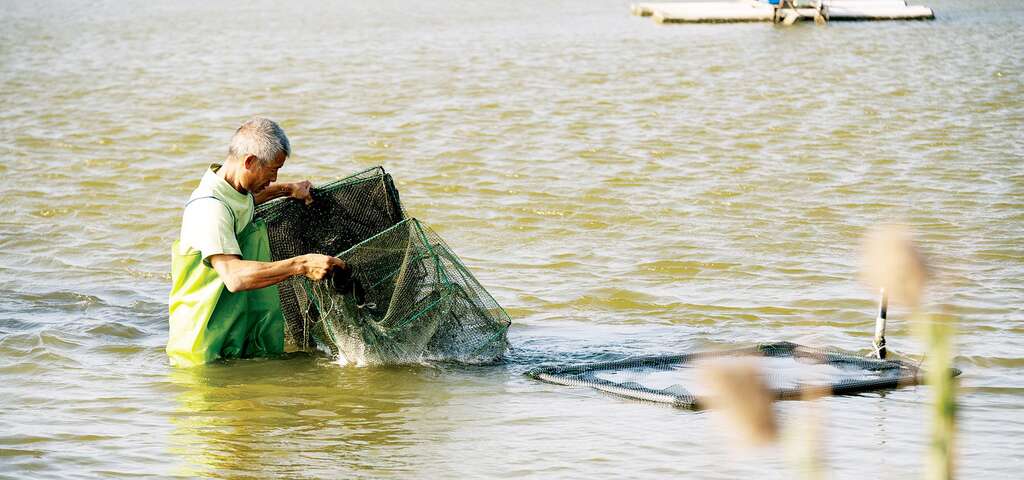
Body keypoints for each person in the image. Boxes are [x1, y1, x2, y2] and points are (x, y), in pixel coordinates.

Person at [167, 117, 344, 367]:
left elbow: (248, 201)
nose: (273, 178)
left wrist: (286, 189)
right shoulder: (210, 208)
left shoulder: (233, 191)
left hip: (236, 337)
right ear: (249, 161)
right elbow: (234, 277)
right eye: (273, 170)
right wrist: (302, 265)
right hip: (205, 352)